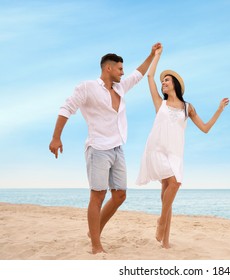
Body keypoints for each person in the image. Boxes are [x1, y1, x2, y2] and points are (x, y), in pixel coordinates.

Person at [49, 43, 162, 254]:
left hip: (118, 148)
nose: (123, 72)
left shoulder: (119, 87)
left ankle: (94, 231)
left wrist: (151, 54)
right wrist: (56, 137)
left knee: (120, 195)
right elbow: (67, 108)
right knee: (97, 196)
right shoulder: (88, 87)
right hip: (98, 148)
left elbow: (139, 74)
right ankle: (96, 245)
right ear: (108, 68)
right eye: (120, 68)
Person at [135, 45, 229, 249]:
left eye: (166, 80)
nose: (163, 83)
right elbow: (150, 77)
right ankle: (160, 222)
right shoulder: (159, 103)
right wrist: (157, 56)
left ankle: (166, 243)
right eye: (162, 82)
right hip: (157, 150)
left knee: (167, 197)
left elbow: (204, 128)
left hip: (175, 155)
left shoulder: (188, 107)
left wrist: (219, 110)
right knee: (175, 183)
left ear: (175, 83)